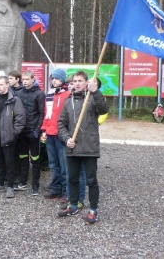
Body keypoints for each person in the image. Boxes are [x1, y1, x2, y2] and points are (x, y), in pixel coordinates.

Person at [57, 71, 109, 224]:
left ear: (86, 82)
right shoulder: (68, 102)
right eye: (75, 81)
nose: (77, 83)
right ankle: (73, 205)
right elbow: (61, 124)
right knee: (72, 179)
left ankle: (93, 210)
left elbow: (104, 110)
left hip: (89, 148)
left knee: (91, 181)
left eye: (80, 81)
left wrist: (96, 91)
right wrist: (66, 139)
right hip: (72, 148)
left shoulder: (93, 98)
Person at [0, 76, 25, 198]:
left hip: (8, 136)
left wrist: (14, 133)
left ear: (8, 85)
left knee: (10, 162)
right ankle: (1, 182)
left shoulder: (14, 100)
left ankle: (10, 186)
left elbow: (20, 119)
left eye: (2, 84)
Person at [41, 69, 73, 203]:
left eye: (57, 78)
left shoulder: (68, 94)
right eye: (52, 78)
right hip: (50, 133)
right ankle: (55, 188)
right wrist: (43, 130)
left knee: (64, 165)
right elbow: (46, 114)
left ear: (63, 80)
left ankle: (67, 192)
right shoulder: (49, 94)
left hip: (61, 134)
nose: (54, 80)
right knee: (54, 165)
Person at [14, 70, 45, 195]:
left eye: (27, 79)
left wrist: (37, 130)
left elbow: (41, 113)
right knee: (23, 157)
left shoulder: (39, 94)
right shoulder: (19, 93)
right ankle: (23, 181)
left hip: (33, 131)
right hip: (22, 131)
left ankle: (35, 185)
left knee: (35, 158)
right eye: (24, 79)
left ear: (33, 79)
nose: (25, 82)